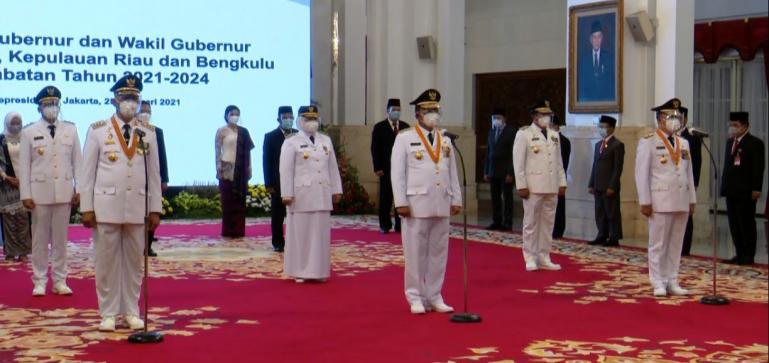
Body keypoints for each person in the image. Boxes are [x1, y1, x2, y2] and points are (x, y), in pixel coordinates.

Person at [80, 75, 162, 331]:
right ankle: (108, 312)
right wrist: (87, 207)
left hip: (137, 207)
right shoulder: (97, 130)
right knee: (106, 262)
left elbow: (154, 174)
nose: (130, 103)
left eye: (134, 98)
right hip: (106, 206)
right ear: (114, 99)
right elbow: (87, 173)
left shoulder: (148, 132)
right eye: (125, 98)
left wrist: (155, 208)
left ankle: (131, 311)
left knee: (134, 262)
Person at [392, 89, 462, 314]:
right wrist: (400, 201)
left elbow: (452, 171)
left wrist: (456, 198)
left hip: (441, 202)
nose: (434, 114)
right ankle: (415, 296)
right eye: (429, 110)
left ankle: (434, 295)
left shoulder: (446, 139)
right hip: (416, 203)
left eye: (436, 110)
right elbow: (398, 173)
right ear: (418, 113)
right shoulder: (405, 138)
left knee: (438, 252)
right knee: (415, 253)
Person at [19, 86, 82, 297]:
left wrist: (79, 189)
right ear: (39, 108)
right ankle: (39, 280)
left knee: (60, 240)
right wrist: (25, 194)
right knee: (39, 240)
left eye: (55, 104)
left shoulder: (70, 130)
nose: (52, 108)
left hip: (63, 191)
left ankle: (60, 280)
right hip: (39, 194)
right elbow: (24, 166)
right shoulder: (29, 132)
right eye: (47, 105)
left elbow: (77, 163)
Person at [635, 98, 696, 297]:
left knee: (676, 242)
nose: (676, 120)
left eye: (678, 117)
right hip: (660, 200)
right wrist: (645, 200)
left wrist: (692, 199)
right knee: (658, 243)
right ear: (660, 119)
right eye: (671, 117)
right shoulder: (648, 141)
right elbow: (641, 173)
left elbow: (689, 174)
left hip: (680, 199)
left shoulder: (684, 142)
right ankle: (657, 281)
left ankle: (672, 279)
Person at [280, 105, 343, 283]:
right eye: (307, 119)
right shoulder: (291, 141)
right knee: (301, 235)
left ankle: (319, 270)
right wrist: (287, 193)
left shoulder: (325, 140)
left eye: (314, 119)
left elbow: (332, 166)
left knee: (320, 235)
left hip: (322, 193)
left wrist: (337, 189)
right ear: (300, 121)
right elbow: (286, 170)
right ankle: (300, 270)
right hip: (301, 194)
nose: (312, 123)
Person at [513, 100, 567, 272]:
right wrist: (521, 184)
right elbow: (518, 162)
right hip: (533, 186)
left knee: (548, 223)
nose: (546, 118)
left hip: (551, 185)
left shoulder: (554, 135)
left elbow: (558, 162)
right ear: (534, 116)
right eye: (543, 115)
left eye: (548, 115)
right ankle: (530, 256)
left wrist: (562, 182)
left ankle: (544, 256)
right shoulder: (524, 134)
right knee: (531, 223)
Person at [721, 111, 765, 265]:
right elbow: (728, 167)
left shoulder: (755, 143)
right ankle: (739, 253)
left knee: (746, 223)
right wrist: (724, 186)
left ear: (745, 126)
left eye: (736, 125)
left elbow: (758, 168)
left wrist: (756, 188)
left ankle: (748, 255)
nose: (732, 128)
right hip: (731, 190)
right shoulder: (729, 142)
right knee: (734, 224)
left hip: (746, 191)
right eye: (731, 125)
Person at [371, 98, 410, 234]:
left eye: (399, 110)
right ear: (388, 111)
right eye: (394, 110)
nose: (396, 113)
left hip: (402, 169)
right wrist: (377, 167)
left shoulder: (405, 127)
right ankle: (385, 224)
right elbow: (374, 148)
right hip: (386, 168)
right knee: (386, 197)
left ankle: (400, 224)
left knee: (401, 196)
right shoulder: (380, 127)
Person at [215, 105, 254, 238]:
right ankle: (228, 231)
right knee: (228, 201)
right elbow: (217, 151)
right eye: (232, 114)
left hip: (241, 169)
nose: (234, 116)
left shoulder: (244, 131)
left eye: (237, 114)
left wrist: (249, 168)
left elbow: (248, 152)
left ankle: (239, 231)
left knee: (239, 201)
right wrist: (218, 168)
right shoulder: (222, 131)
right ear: (226, 115)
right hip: (226, 168)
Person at [263, 106, 297, 252]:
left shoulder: (298, 135)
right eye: (285, 117)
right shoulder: (270, 136)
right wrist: (268, 183)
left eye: (290, 117)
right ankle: (278, 242)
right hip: (278, 182)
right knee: (278, 214)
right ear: (279, 119)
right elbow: (267, 161)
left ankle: (296, 241)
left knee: (297, 213)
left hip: (297, 181)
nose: (288, 120)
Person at [137, 101, 168, 257]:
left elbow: (161, 157)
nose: (145, 114)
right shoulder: (129, 131)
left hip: (152, 180)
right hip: (135, 181)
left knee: (151, 214)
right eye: (142, 110)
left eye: (148, 111)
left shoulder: (156, 132)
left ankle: (147, 246)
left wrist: (164, 178)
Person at [588, 115, 624, 247]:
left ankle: (614, 237)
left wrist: (612, 185)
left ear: (612, 128)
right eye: (600, 126)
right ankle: (601, 235)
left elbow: (617, 168)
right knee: (600, 212)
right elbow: (595, 165)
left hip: (609, 185)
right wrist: (591, 183)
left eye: (604, 127)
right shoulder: (598, 145)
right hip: (598, 184)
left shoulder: (617, 145)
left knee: (612, 212)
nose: (602, 129)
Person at [0, 112, 31, 261]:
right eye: (13, 123)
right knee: (9, 219)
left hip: (25, 183)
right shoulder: (1, 140)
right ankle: (11, 252)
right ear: (7, 123)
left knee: (23, 218)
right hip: (7, 184)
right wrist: (6, 177)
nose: (16, 125)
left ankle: (24, 251)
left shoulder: (26, 138)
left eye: (19, 122)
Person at [483, 107, 515, 231]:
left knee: (507, 198)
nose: (497, 120)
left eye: (499, 118)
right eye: (495, 118)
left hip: (505, 171)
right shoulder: (491, 131)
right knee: (495, 197)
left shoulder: (511, 132)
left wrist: (510, 172)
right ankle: (496, 221)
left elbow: (513, 154)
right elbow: (488, 152)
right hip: (493, 170)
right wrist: (486, 171)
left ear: (504, 118)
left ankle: (507, 222)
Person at [677, 106, 702, 256]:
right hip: (673, 184)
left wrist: (695, 183)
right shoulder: (669, 136)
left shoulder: (692, 138)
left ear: (685, 119)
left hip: (687, 182)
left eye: (678, 118)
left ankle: (685, 248)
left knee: (686, 216)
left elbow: (696, 162)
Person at [578, 20, 615, 101]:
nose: (597, 40)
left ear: (602, 39)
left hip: (605, 102)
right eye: (594, 37)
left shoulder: (609, 58)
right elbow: (582, 87)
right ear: (591, 40)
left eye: (599, 37)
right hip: (588, 102)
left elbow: (611, 85)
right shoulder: (584, 61)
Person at [551, 114, 571, 239]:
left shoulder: (564, 141)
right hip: (546, 178)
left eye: (552, 125)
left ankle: (558, 230)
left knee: (559, 206)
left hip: (558, 178)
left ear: (557, 126)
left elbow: (563, 162)